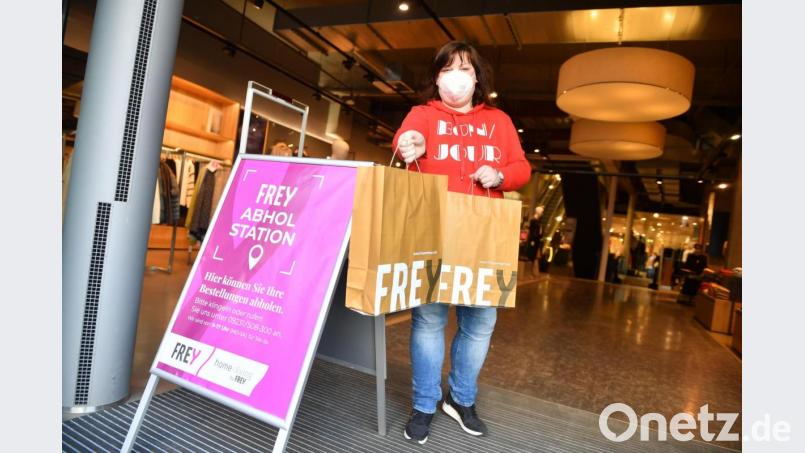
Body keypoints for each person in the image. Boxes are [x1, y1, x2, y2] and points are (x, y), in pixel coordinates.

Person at [392, 41, 531, 445]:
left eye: (465, 70)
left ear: (477, 78)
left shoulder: (499, 121)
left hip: (484, 234)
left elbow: (522, 167)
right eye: (448, 69)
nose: (457, 77)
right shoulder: (422, 114)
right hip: (432, 230)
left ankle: (462, 399)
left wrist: (501, 175)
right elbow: (406, 140)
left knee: (480, 322)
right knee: (429, 320)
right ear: (437, 77)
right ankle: (423, 403)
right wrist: (410, 144)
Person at [525, 206, 544, 277]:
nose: (542, 214)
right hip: (533, 240)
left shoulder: (538, 220)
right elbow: (533, 231)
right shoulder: (533, 220)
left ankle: (533, 273)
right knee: (531, 256)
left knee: (534, 256)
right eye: (541, 212)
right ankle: (529, 273)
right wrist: (532, 240)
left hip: (536, 240)